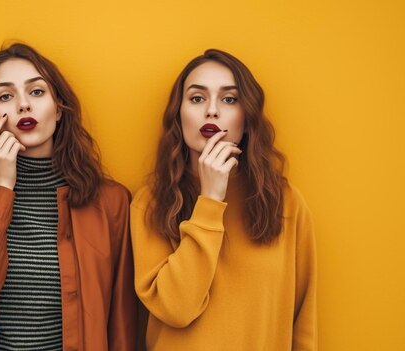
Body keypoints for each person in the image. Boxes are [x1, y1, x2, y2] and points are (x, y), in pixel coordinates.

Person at [0, 43, 136, 351]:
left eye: (37, 92)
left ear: (59, 106)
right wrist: (0, 189)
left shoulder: (111, 202)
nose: (23, 105)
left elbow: (120, 322)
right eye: (5, 96)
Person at [130, 49, 317, 350]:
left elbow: (303, 322)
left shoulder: (285, 202)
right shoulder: (151, 203)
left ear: (247, 116)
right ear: (179, 115)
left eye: (229, 99)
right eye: (197, 98)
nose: (212, 111)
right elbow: (176, 309)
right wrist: (211, 201)